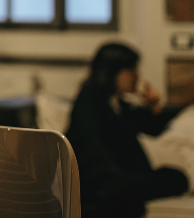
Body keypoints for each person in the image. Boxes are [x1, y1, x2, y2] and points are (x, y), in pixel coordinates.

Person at [65, 43, 189, 218]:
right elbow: (93, 148)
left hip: (126, 177)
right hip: (100, 179)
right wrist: (122, 179)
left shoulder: (118, 103)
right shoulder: (89, 100)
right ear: (112, 72)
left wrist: (154, 107)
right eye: (132, 71)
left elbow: (151, 128)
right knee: (126, 191)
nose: (136, 77)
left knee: (176, 178)